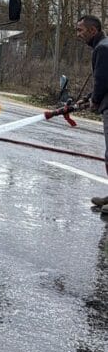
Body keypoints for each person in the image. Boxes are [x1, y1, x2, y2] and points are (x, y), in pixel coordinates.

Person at [79, 16, 108, 208]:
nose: (78, 34)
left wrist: (95, 101)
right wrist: (88, 97)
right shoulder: (105, 45)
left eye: (80, 30)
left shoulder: (102, 49)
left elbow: (102, 80)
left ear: (93, 30)